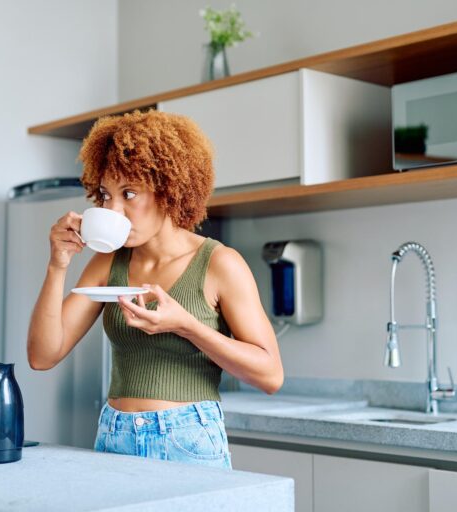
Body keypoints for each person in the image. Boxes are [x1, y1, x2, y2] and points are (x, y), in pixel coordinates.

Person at [27, 109, 284, 469]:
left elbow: (271, 375)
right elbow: (43, 355)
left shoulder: (219, 264)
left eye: (129, 193)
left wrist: (186, 325)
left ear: (169, 190)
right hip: (114, 436)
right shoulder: (109, 260)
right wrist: (57, 266)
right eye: (105, 195)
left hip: (187, 440)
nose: (113, 209)